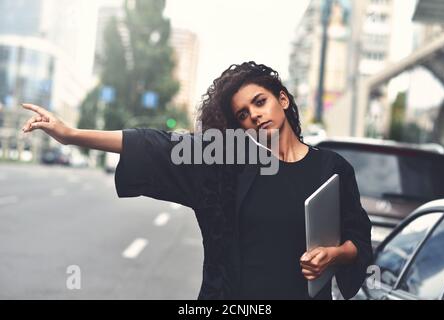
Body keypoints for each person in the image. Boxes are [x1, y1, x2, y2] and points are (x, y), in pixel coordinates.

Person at [21, 61, 372, 300]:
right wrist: (71, 135)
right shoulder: (229, 161)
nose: (254, 115)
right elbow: (156, 145)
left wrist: (334, 254)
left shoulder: (333, 168)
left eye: (260, 101)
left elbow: (358, 239)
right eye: (243, 115)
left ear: (282, 98)